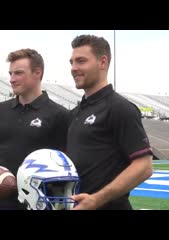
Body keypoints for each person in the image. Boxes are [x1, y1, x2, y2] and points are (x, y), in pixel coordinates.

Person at [0, 48, 70, 210]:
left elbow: (67, 161)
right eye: (10, 73)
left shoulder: (60, 114)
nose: (12, 79)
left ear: (37, 73)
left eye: (18, 73)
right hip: (0, 202)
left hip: (39, 203)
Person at [67, 34, 153, 210]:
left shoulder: (120, 108)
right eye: (72, 62)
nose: (74, 68)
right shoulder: (75, 113)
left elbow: (144, 166)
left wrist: (97, 199)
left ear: (103, 62)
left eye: (81, 61)